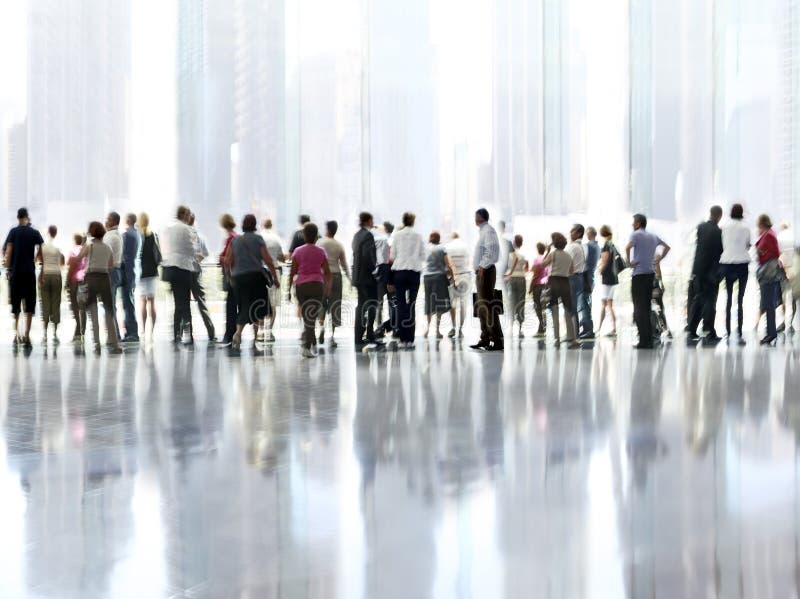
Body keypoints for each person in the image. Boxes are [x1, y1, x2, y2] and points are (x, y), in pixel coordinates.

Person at [225, 214, 279, 351]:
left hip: (239, 279)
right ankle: (255, 340)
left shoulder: (236, 240)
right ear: (254, 225)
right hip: (255, 278)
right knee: (256, 308)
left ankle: (237, 334)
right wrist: (275, 278)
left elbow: (227, 261)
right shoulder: (258, 239)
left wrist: (230, 277)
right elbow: (267, 260)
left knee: (243, 307)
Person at [625, 213, 671, 349]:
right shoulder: (652, 236)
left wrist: (629, 263)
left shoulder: (635, 235)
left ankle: (643, 341)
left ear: (638, 223)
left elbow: (627, 247)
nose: (632, 224)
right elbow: (667, 247)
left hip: (639, 274)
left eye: (634, 222)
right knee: (645, 307)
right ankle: (649, 340)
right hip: (650, 275)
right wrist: (658, 260)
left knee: (638, 308)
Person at [79, 221, 123, 354]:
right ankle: (114, 343)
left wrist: (82, 242)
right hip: (105, 279)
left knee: (93, 311)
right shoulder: (107, 247)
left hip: (91, 278)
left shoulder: (89, 246)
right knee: (109, 311)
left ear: (91, 232)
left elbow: (79, 258)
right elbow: (111, 266)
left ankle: (96, 343)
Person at [4, 208, 44, 348]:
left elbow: (8, 250)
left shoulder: (13, 232)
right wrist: (36, 258)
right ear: (27, 217)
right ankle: (26, 335)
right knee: (29, 305)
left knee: (16, 305)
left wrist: (8, 269)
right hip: (29, 273)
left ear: (18, 217)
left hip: (15, 273)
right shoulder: (34, 232)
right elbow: (41, 248)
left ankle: (16, 335)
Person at [291, 222, 332, 358]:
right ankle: (307, 347)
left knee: (306, 316)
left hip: (301, 286)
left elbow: (293, 272)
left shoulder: (297, 251)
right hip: (316, 286)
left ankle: (310, 340)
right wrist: (328, 286)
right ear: (316, 236)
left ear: (304, 235)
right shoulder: (321, 251)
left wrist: (288, 289)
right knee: (311, 317)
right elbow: (327, 272)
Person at [161, 205, 198, 345]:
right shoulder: (186, 229)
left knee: (177, 303)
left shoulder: (168, 228)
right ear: (185, 215)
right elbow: (192, 249)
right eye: (188, 215)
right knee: (185, 303)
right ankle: (189, 335)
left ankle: (176, 334)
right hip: (183, 267)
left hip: (171, 268)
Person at [687, 205, 723, 343]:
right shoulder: (719, 232)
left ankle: (691, 329)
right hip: (712, 272)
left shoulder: (701, 228)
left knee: (698, 300)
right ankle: (709, 330)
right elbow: (719, 252)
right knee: (710, 302)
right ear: (719, 216)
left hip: (698, 270)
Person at [389, 212, 425, 349]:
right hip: (414, 273)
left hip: (400, 273)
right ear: (413, 221)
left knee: (401, 305)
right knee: (412, 305)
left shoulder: (397, 235)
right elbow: (423, 255)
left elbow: (392, 255)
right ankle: (410, 339)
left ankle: (402, 338)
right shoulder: (418, 236)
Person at [470, 208, 504, 351]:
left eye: (476, 216)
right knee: (482, 306)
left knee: (488, 306)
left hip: (486, 271)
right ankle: (485, 338)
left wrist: (483, 267)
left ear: (481, 217)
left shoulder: (488, 231)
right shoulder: (483, 231)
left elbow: (492, 249)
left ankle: (497, 340)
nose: (474, 218)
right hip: (483, 271)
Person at [719, 203, 750, 344]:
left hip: (727, 263)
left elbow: (722, 245)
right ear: (742, 213)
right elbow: (748, 245)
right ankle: (739, 333)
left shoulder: (724, 227)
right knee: (740, 299)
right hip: (742, 263)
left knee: (729, 298)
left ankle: (727, 331)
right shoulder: (746, 228)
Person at [540, 233, 578, 348]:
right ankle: (572, 338)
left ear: (555, 244)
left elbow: (542, 265)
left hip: (554, 282)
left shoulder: (553, 254)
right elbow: (572, 271)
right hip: (566, 282)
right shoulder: (568, 256)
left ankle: (557, 339)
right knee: (568, 310)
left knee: (554, 310)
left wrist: (546, 251)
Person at [317, 220, 350, 348]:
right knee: (335, 305)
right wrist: (348, 276)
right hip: (336, 276)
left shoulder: (320, 243)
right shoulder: (339, 245)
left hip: (322, 275)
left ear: (328, 230)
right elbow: (343, 263)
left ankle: (321, 328)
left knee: (321, 302)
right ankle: (332, 337)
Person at [352, 211, 381, 348]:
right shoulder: (368, 235)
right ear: (368, 220)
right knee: (372, 304)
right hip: (367, 277)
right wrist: (375, 271)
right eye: (372, 220)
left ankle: (358, 336)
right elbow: (368, 256)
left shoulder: (356, 236)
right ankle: (370, 334)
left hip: (358, 277)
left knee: (361, 306)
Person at [187, 213, 216, 342]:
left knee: (183, 303)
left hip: (185, 272)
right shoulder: (199, 236)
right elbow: (205, 253)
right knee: (201, 303)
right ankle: (211, 332)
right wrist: (197, 260)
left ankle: (187, 334)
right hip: (197, 272)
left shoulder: (184, 236)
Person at [424, 231, 456, 339]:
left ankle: (427, 329)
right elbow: (448, 264)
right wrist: (453, 278)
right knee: (439, 304)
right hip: (439, 278)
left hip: (427, 278)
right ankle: (437, 330)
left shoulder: (426, 248)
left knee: (429, 303)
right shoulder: (442, 249)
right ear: (439, 238)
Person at [756, 214, 781, 345]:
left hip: (767, 273)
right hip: (767, 272)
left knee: (768, 304)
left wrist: (761, 252)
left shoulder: (769, 235)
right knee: (767, 303)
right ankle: (770, 332)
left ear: (762, 224)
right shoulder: (769, 234)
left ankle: (771, 333)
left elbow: (775, 253)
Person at [38, 225, 64, 344]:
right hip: (56, 276)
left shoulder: (43, 246)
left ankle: (44, 333)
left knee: (45, 304)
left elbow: (38, 259)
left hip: (45, 275)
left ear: (48, 232)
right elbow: (62, 262)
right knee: (55, 303)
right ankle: (55, 333)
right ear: (56, 232)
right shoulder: (60, 245)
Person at [261, 218, 286, 342]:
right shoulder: (276, 239)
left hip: (260, 273)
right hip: (274, 271)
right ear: (272, 225)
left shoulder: (259, 237)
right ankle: (269, 332)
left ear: (262, 225)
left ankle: (260, 332)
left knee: (260, 302)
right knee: (273, 304)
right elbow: (281, 258)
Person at [138, 212, 160, 340]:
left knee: (142, 301)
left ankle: (142, 329)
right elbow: (158, 255)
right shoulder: (153, 235)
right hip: (152, 271)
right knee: (152, 301)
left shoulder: (138, 236)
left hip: (141, 272)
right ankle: (152, 331)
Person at [445, 231, 471, 339]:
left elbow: (446, 264)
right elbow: (468, 262)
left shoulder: (447, 246)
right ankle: (460, 329)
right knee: (463, 304)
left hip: (452, 277)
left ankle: (453, 327)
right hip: (465, 276)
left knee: (452, 304)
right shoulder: (465, 246)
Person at [566, 224, 590, 340]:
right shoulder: (582, 246)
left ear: (579, 233)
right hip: (579, 277)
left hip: (572, 278)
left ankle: (573, 335)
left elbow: (566, 262)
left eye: (573, 231)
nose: (570, 233)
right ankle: (573, 334)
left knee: (571, 307)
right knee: (573, 306)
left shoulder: (573, 247)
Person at [120, 213, 140, 343]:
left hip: (127, 272)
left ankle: (132, 333)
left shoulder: (127, 235)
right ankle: (130, 332)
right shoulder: (137, 234)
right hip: (133, 271)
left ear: (127, 220)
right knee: (129, 302)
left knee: (128, 303)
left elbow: (125, 255)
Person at [103, 211, 123, 341]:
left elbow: (104, 254)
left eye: (108, 219)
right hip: (115, 272)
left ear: (115, 222)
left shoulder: (110, 236)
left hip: (110, 272)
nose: (106, 221)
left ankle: (114, 335)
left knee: (109, 305)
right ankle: (114, 334)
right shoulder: (115, 235)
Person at [218, 214, 238, 346]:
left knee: (230, 306)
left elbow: (227, 259)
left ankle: (229, 335)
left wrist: (220, 258)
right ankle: (233, 333)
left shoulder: (231, 238)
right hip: (237, 275)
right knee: (233, 305)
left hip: (232, 276)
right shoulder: (235, 236)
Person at [597, 225, 619, 337]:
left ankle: (599, 329)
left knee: (604, 304)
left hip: (607, 279)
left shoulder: (606, 245)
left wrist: (599, 270)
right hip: (614, 278)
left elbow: (605, 261)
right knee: (609, 304)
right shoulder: (612, 244)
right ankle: (613, 329)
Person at [504, 234, 528, 338]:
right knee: (521, 301)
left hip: (511, 278)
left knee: (511, 301)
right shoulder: (524, 253)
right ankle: (520, 328)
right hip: (521, 278)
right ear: (522, 242)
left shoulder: (510, 254)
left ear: (514, 242)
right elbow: (527, 267)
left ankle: (511, 326)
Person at [66, 233, 88, 342]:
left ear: (74, 240)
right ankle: (80, 332)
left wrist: (67, 280)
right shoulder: (86, 249)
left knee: (75, 307)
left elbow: (71, 266)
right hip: (84, 280)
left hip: (74, 281)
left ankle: (78, 330)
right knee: (82, 307)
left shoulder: (74, 250)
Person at [374, 221, 394, 327]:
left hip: (383, 275)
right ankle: (393, 326)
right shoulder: (392, 240)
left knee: (379, 302)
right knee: (392, 302)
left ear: (385, 229)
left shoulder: (382, 240)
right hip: (391, 275)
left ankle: (379, 327)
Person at [778, 222, 796, 332]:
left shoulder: (780, 238)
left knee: (784, 298)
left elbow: (778, 255)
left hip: (784, 271)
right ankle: (791, 323)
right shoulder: (794, 238)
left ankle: (784, 322)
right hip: (794, 271)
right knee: (793, 299)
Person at [529, 242, 549, 337]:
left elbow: (535, 274)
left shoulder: (537, 260)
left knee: (538, 307)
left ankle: (541, 328)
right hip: (545, 285)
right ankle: (543, 326)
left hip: (537, 286)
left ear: (537, 249)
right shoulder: (546, 259)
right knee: (543, 307)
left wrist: (530, 287)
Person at [582, 227, 600, 338]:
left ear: (589, 234)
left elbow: (584, 262)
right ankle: (587, 329)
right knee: (587, 303)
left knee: (585, 305)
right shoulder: (598, 247)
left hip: (585, 278)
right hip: (592, 278)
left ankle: (588, 330)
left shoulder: (588, 246)